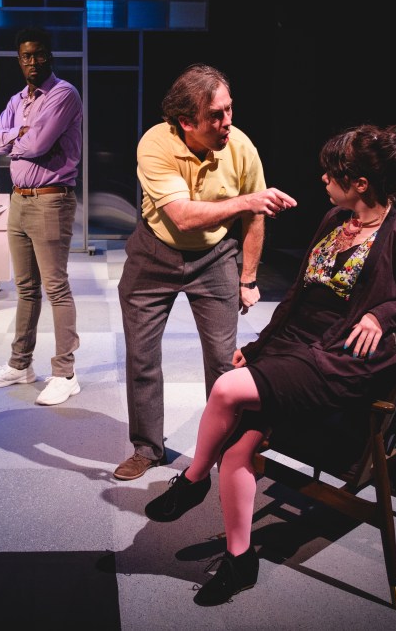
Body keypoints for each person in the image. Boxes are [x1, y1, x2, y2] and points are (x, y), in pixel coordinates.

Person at [141, 123, 396, 606]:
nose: (323, 178)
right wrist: (262, 347)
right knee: (237, 450)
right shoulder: (335, 218)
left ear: (360, 183)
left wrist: (382, 314)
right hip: (297, 344)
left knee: (226, 389)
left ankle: (193, 480)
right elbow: (299, 295)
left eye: (332, 172)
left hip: (339, 358)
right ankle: (241, 561)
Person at [114, 63, 297, 482]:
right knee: (142, 358)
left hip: (215, 257)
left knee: (223, 362)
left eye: (229, 109)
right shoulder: (155, 144)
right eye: (215, 115)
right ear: (186, 122)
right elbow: (182, 216)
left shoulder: (242, 147)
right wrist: (247, 202)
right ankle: (147, 448)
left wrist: (248, 278)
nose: (227, 121)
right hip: (154, 254)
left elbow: (256, 219)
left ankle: (225, 449)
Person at [0, 26, 84, 406]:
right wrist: (17, 135)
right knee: (25, 288)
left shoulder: (63, 94)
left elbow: (38, 144)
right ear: (19, 60)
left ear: (49, 55)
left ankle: (65, 373)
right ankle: (20, 364)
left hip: (51, 200)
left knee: (56, 287)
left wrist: (14, 138)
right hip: (19, 201)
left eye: (39, 54)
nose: (33, 62)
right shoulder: (17, 100)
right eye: (26, 56)